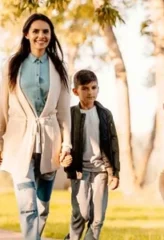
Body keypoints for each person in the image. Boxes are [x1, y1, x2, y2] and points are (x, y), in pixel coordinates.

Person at [0, 13, 72, 240]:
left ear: (51, 36)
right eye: (36, 31)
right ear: (26, 34)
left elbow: (63, 111)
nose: (41, 36)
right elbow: (2, 105)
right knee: (27, 203)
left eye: (46, 32)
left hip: (50, 142)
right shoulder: (12, 65)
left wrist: (67, 144)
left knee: (42, 207)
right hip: (19, 141)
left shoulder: (59, 67)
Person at [64, 70, 119, 240]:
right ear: (76, 91)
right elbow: (62, 139)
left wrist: (114, 173)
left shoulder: (105, 114)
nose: (90, 92)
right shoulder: (70, 114)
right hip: (79, 171)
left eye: (94, 88)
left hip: (101, 170)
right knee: (80, 214)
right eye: (85, 89)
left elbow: (113, 144)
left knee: (98, 217)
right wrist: (64, 157)